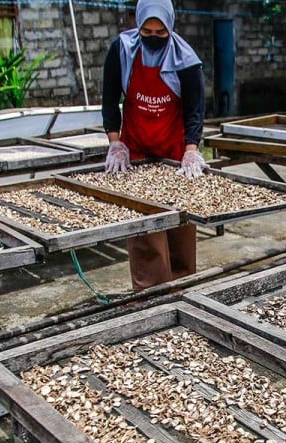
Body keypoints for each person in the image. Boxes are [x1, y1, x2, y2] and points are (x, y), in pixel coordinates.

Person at [101, 0, 206, 290]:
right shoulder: (121, 50)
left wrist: (191, 151)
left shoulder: (186, 59)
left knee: (180, 230)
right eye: (146, 31)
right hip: (135, 151)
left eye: (161, 33)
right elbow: (109, 100)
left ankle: (184, 290)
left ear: (170, 28)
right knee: (146, 234)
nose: (153, 38)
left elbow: (195, 110)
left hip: (174, 153)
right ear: (138, 25)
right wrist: (115, 143)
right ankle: (152, 298)